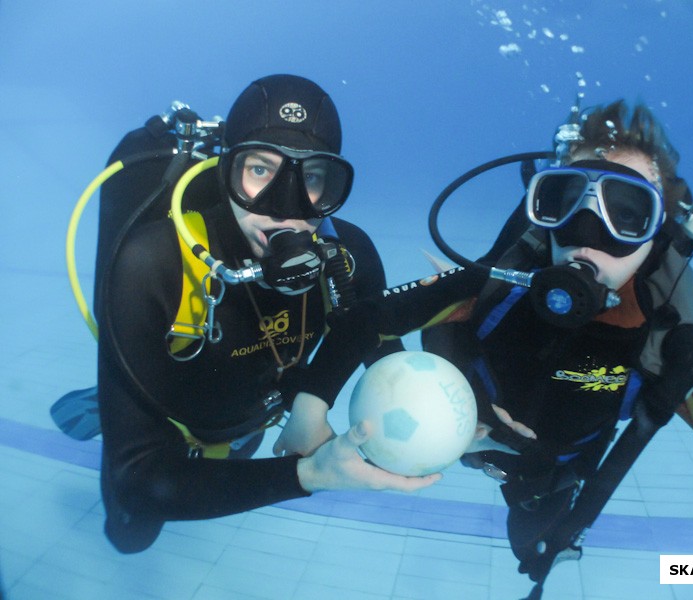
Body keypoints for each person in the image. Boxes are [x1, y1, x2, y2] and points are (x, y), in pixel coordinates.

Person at [275, 100, 693, 596]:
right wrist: (311, 402)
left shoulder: (662, 342)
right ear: (541, 209)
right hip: (467, 433)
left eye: (626, 212)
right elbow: (370, 317)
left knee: (531, 547)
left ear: (657, 232)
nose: (586, 233)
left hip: (553, 476)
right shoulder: (502, 279)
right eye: (564, 201)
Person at [96, 74, 438, 554]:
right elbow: (138, 478)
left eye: (313, 177)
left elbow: (381, 349)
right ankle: (116, 395)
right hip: (168, 427)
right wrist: (306, 475)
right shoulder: (152, 264)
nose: (286, 207)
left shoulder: (348, 253)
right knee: (130, 536)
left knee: (235, 453)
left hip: (251, 424)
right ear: (225, 170)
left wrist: (460, 412)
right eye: (260, 169)